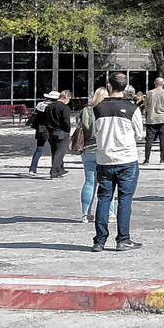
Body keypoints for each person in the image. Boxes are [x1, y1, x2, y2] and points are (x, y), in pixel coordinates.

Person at [91, 72, 144, 252]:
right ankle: (123, 239)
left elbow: (95, 131)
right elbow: (139, 134)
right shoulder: (132, 108)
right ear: (126, 87)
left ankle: (99, 240)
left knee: (104, 199)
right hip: (127, 158)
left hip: (105, 158)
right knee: (124, 200)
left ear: (109, 86)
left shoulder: (97, 109)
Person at [75, 87, 107, 220]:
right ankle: (109, 213)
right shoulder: (104, 110)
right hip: (102, 149)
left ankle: (85, 213)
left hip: (87, 149)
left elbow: (79, 125)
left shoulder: (85, 111)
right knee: (106, 183)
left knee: (89, 181)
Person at [143, 76, 164, 164]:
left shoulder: (149, 93)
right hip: (163, 119)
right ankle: (162, 158)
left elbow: (146, 107)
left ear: (154, 83)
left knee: (149, 139)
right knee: (163, 139)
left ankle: (147, 159)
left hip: (151, 119)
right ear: (163, 84)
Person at [45, 89, 74, 179]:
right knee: (60, 152)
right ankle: (54, 171)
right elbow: (66, 122)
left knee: (55, 151)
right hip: (61, 131)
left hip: (50, 131)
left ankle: (60, 169)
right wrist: (68, 130)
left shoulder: (49, 106)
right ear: (66, 97)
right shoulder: (64, 108)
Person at [27, 92, 54, 175]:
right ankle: (55, 169)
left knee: (39, 149)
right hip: (50, 129)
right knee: (55, 150)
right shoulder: (52, 107)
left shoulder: (39, 105)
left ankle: (32, 168)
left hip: (40, 129)